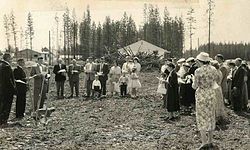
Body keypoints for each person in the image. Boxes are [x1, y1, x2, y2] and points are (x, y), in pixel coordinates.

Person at [192, 52, 217, 149]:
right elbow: (215, 81)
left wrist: (192, 82)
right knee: (211, 116)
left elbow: (195, 86)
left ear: (199, 61)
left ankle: (204, 141)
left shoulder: (198, 71)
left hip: (202, 95)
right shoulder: (213, 69)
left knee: (201, 118)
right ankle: (210, 140)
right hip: (211, 94)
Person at [0, 53, 16, 127]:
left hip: (1, 90)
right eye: (11, 58)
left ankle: (1, 121)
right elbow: (8, 80)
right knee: (7, 106)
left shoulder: (1, 65)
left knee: (2, 105)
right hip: (7, 90)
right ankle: (4, 121)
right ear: (8, 58)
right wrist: (14, 90)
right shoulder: (6, 66)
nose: (12, 60)